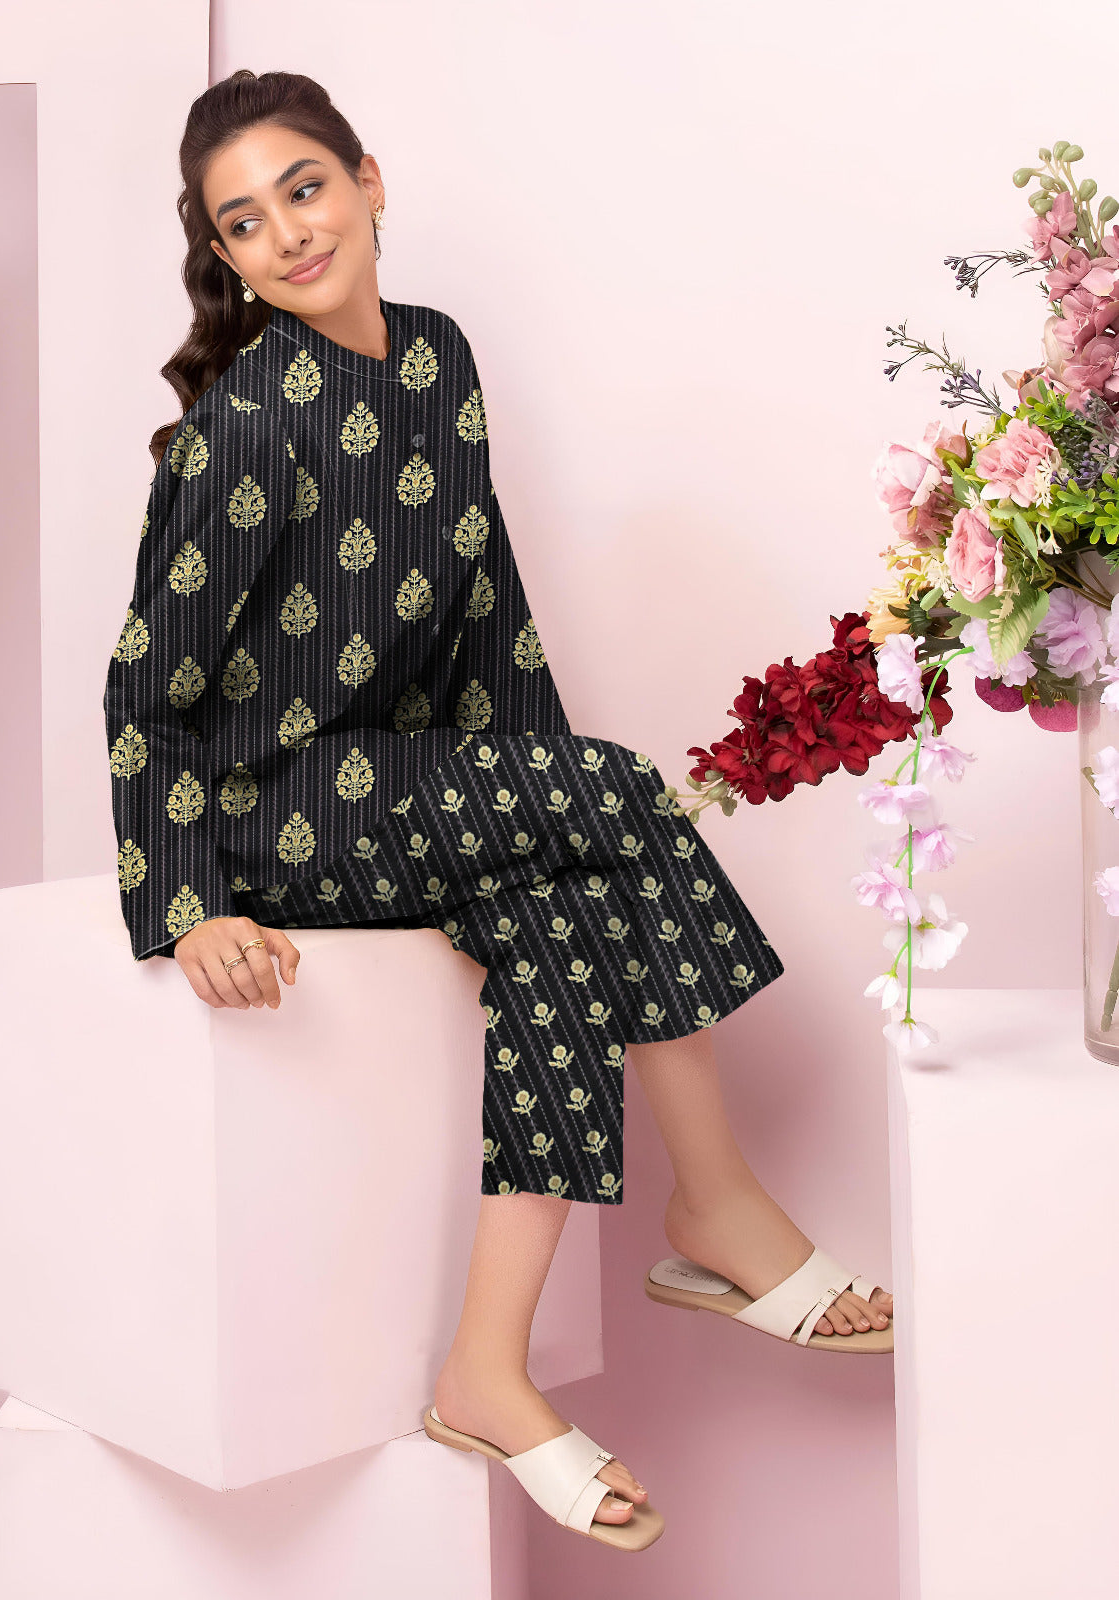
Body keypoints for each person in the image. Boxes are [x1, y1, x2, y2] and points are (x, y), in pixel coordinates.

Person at [102, 68, 894, 1552]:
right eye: (245, 222)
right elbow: (147, 692)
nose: (287, 232)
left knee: (573, 913)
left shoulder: (439, 356)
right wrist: (191, 904)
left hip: (422, 788)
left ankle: (484, 1369)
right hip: (281, 812)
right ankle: (718, 1200)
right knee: (615, 789)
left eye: (305, 189)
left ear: (370, 183)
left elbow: (485, 607)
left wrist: (529, 818)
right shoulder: (242, 433)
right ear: (225, 257)